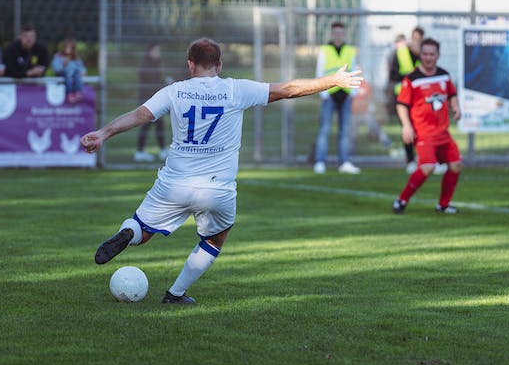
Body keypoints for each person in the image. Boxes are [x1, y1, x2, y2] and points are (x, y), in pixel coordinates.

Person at [80, 37, 363, 304]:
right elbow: (288, 89)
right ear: (219, 65)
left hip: (174, 183)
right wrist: (333, 80)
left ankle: (129, 231)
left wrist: (104, 133)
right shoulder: (235, 89)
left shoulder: (174, 91)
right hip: (217, 188)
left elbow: (140, 115)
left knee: (142, 229)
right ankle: (176, 293)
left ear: (190, 64)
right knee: (215, 238)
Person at [392, 38, 463, 215]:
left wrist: (455, 106)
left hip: (443, 133)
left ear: (437, 55)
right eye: (425, 54)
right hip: (424, 133)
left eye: (432, 54)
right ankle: (402, 200)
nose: (428, 57)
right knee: (428, 167)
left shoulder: (444, 75)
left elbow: (452, 94)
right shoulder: (412, 79)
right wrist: (406, 126)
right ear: (420, 55)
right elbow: (401, 104)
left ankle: (443, 204)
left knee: (455, 165)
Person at [312, 21, 361, 174]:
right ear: (332, 34)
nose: (338, 35)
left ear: (344, 34)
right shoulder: (325, 50)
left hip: (345, 95)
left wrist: (352, 93)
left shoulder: (349, 50)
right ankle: (320, 161)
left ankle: (344, 162)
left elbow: (353, 69)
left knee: (344, 130)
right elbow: (320, 71)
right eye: (336, 33)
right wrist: (324, 93)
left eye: (341, 33)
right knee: (324, 129)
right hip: (329, 94)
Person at [387, 27, 424, 173]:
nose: (417, 42)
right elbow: (393, 76)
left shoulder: (425, 55)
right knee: (408, 128)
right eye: (414, 38)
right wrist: (408, 78)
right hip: (404, 96)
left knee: (422, 128)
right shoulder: (402, 53)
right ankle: (410, 160)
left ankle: (424, 158)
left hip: (421, 98)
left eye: (419, 39)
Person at [134, 41, 169, 162]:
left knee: (159, 125)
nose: (159, 53)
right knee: (146, 126)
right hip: (148, 100)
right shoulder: (146, 65)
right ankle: (140, 152)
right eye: (156, 50)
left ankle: (162, 150)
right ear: (150, 51)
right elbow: (153, 83)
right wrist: (165, 83)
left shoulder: (156, 64)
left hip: (154, 100)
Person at [51, 37, 87, 103]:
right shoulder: (58, 56)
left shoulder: (76, 58)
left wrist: (83, 71)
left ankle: (77, 92)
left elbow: (82, 68)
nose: (68, 49)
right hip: (63, 75)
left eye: (71, 47)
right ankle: (69, 94)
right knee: (67, 74)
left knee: (76, 73)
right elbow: (56, 69)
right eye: (67, 47)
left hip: (73, 76)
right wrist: (64, 64)